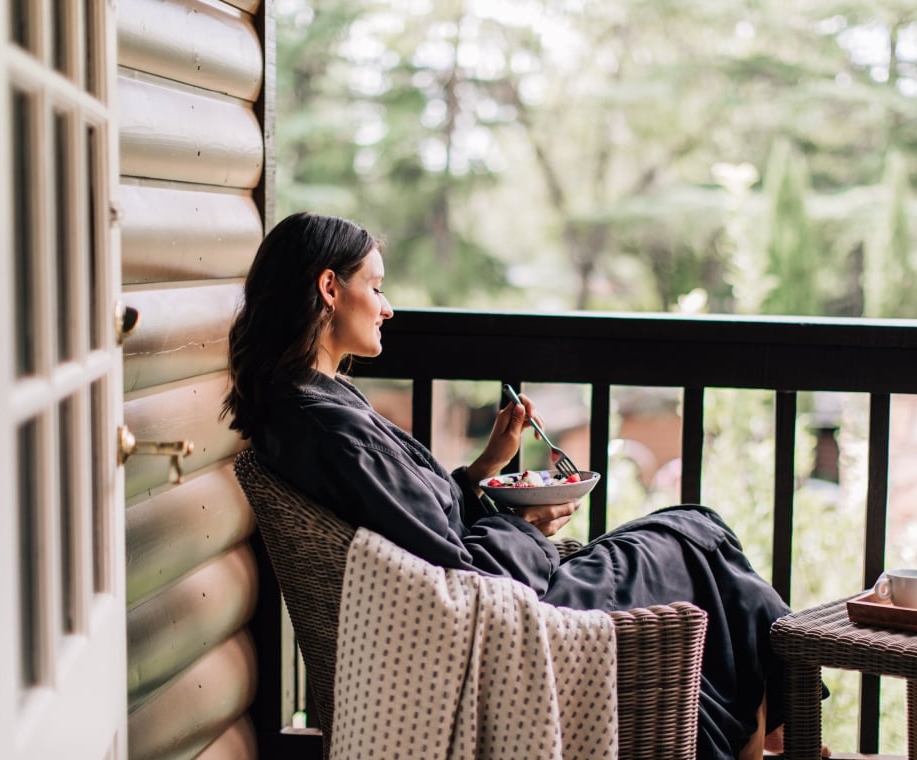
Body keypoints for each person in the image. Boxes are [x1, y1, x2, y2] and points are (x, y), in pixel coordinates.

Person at [222, 211, 825, 760]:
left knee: (697, 534)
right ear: (330, 288)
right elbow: (458, 569)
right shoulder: (325, 425)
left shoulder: (313, 406)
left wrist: (484, 469)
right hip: (502, 615)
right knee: (694, 531)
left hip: (497, 583)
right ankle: (784, 729)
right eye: (375, 287)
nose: (387, 307)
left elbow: (413, 522)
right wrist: (523, 524)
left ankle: (770, 731)